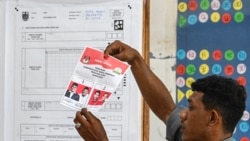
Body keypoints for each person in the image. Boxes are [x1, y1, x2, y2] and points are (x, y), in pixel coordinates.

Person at [73, 40, 246, 141]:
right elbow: (166, 109)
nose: (182, 114)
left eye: (191, 108)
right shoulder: (196, 135)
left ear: (213, 118)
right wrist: (135, 60)